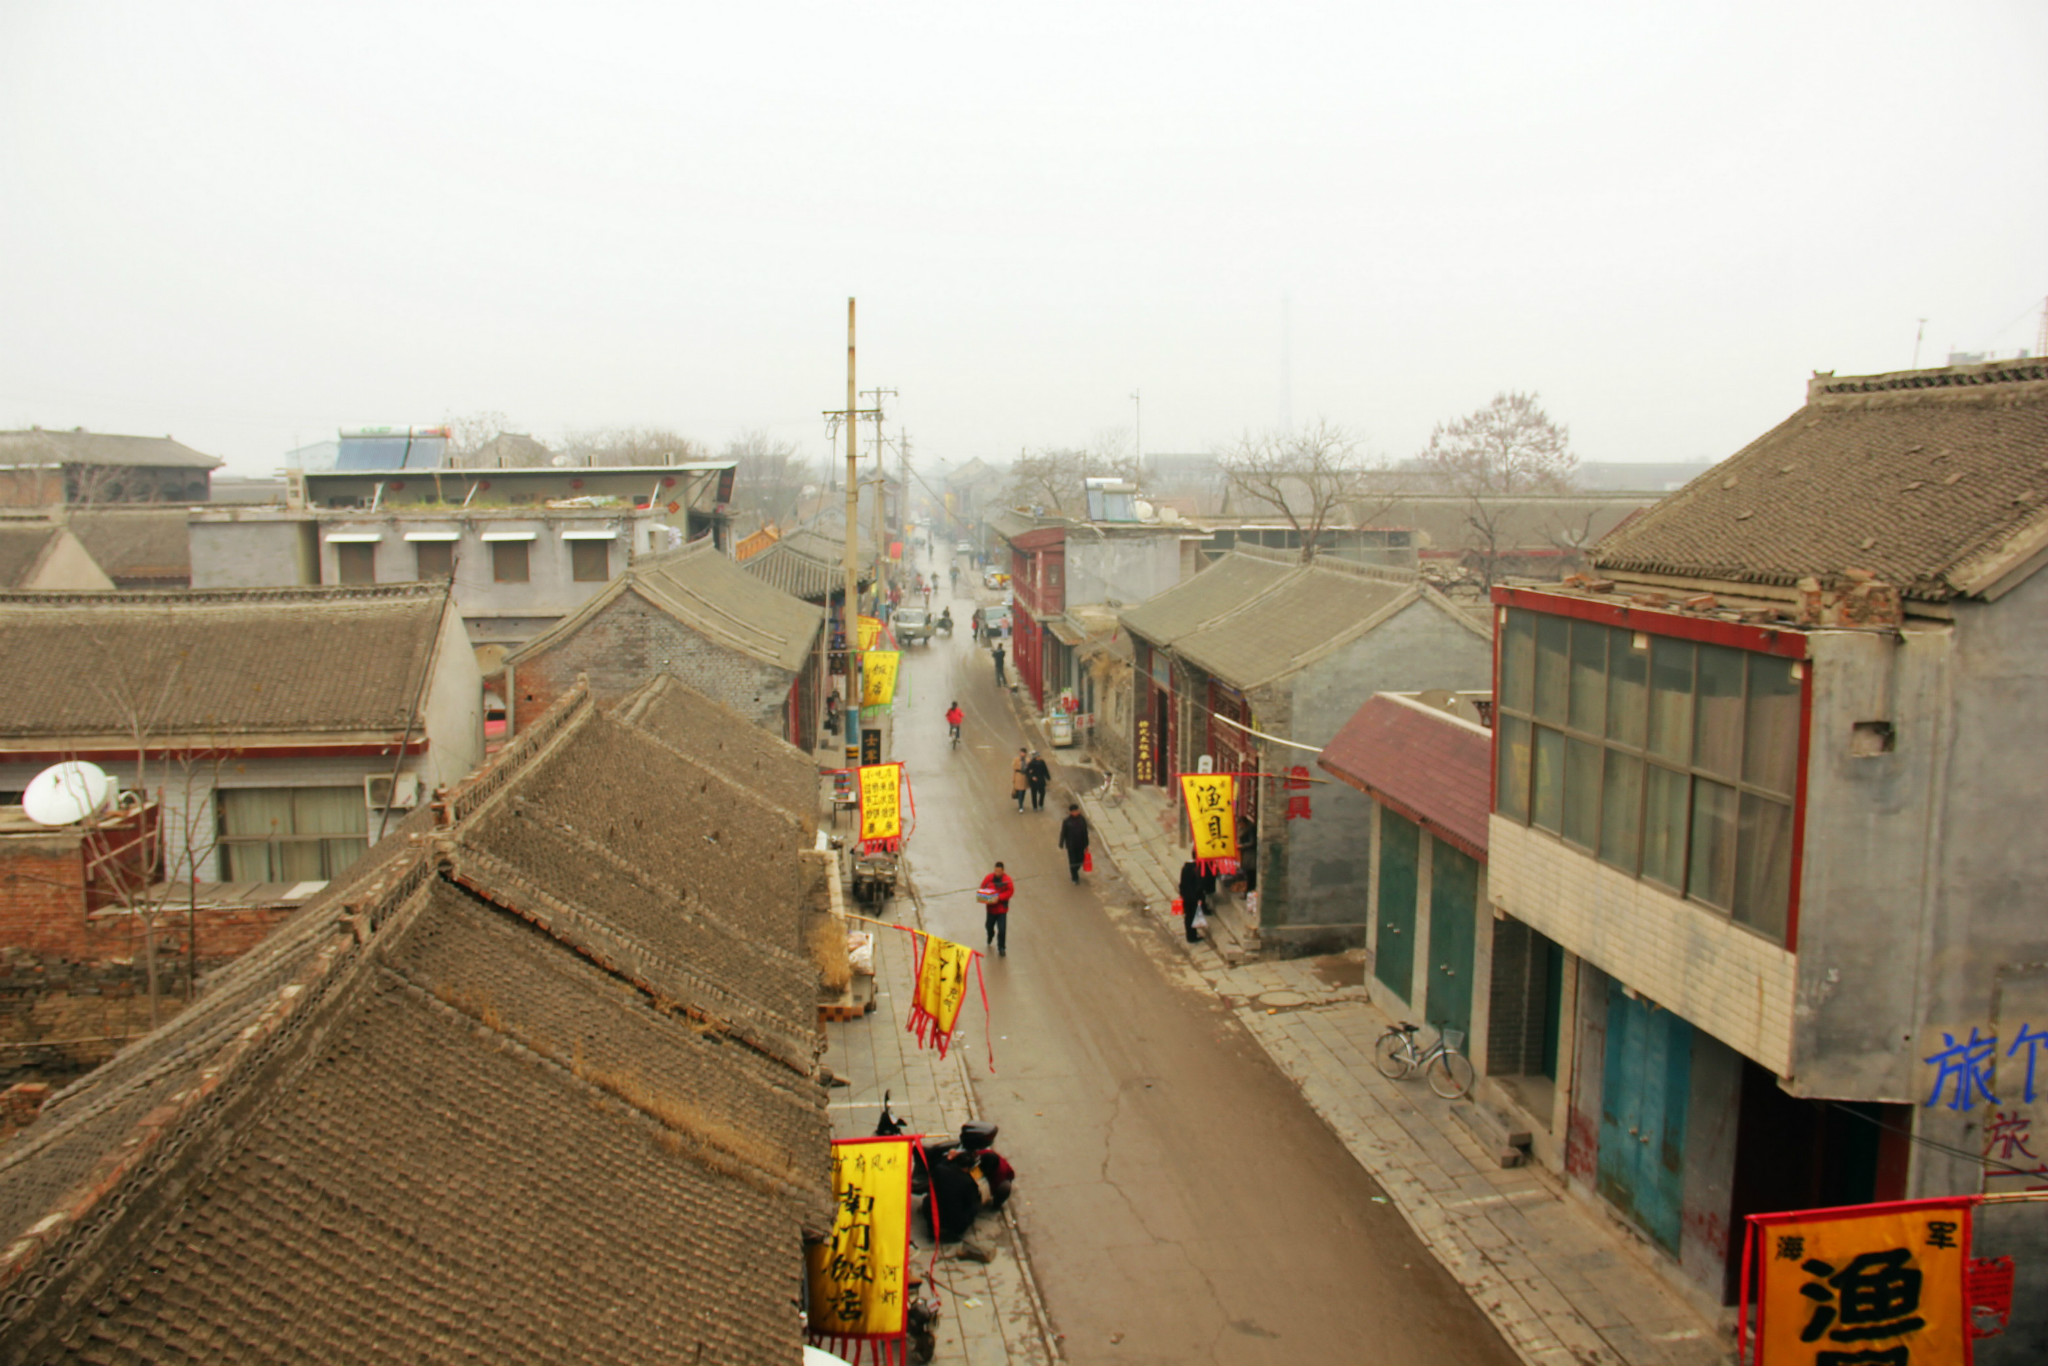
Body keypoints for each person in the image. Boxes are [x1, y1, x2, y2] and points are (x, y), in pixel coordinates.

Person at [979, 861, 1015, 956]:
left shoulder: (1007, 880)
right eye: (996, 871)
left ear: (1003, 871)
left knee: (1002, 929)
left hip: (1001, 910)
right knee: (988, 926)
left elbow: (1010, 891)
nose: (997, 873)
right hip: (991, 910)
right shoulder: (988, 878)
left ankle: (1001, 947)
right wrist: (990, 897)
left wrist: (999, 897)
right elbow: (981, 890)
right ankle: (990, 934)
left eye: (999, 872)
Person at [1058, 804, 1090, 883]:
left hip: (1081, 844)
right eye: (1074, 811)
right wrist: (1061, 843)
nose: (1076, 813)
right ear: (1071, 812)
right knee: (1072, 861)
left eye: (1077, 811)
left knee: (1080, 860)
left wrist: (1086, 844)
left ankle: (1075, 870)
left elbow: (1085, 832)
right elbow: (1063, 833)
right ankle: (1075, 877)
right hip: (1071, 845)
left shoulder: (1082, 820)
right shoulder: (1067, 821)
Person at [1179, 859, 1208, 945]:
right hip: (1193, 897)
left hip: (1186, 896)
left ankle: (1189, 935)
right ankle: (1192, 936)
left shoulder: (1184, 869)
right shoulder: (1195, 870)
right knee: (1192, 916)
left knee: (1188, 916)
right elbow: (1198, 886)